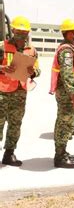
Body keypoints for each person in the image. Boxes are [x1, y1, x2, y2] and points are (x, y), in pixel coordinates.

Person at [0, 16, 40, 166]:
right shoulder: (1, 46)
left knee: (15, 124)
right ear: (13, 30)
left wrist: (33, 71)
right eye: (18, 31)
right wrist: (2, 68)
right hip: (2, 93)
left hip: (20, 93)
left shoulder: (31, 50)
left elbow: (38, 70)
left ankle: (9, 154)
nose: (21, 34)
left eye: (24, 32)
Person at [49, 19, 74, 168]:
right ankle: (60, 157)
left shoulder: (68, 48)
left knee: (63, 122)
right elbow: (67, 72)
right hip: (66, 93)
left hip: (64, 92)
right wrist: (73, 93)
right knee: (64, 124)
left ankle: (62, 152)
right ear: (69, 34)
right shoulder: (66, 50)